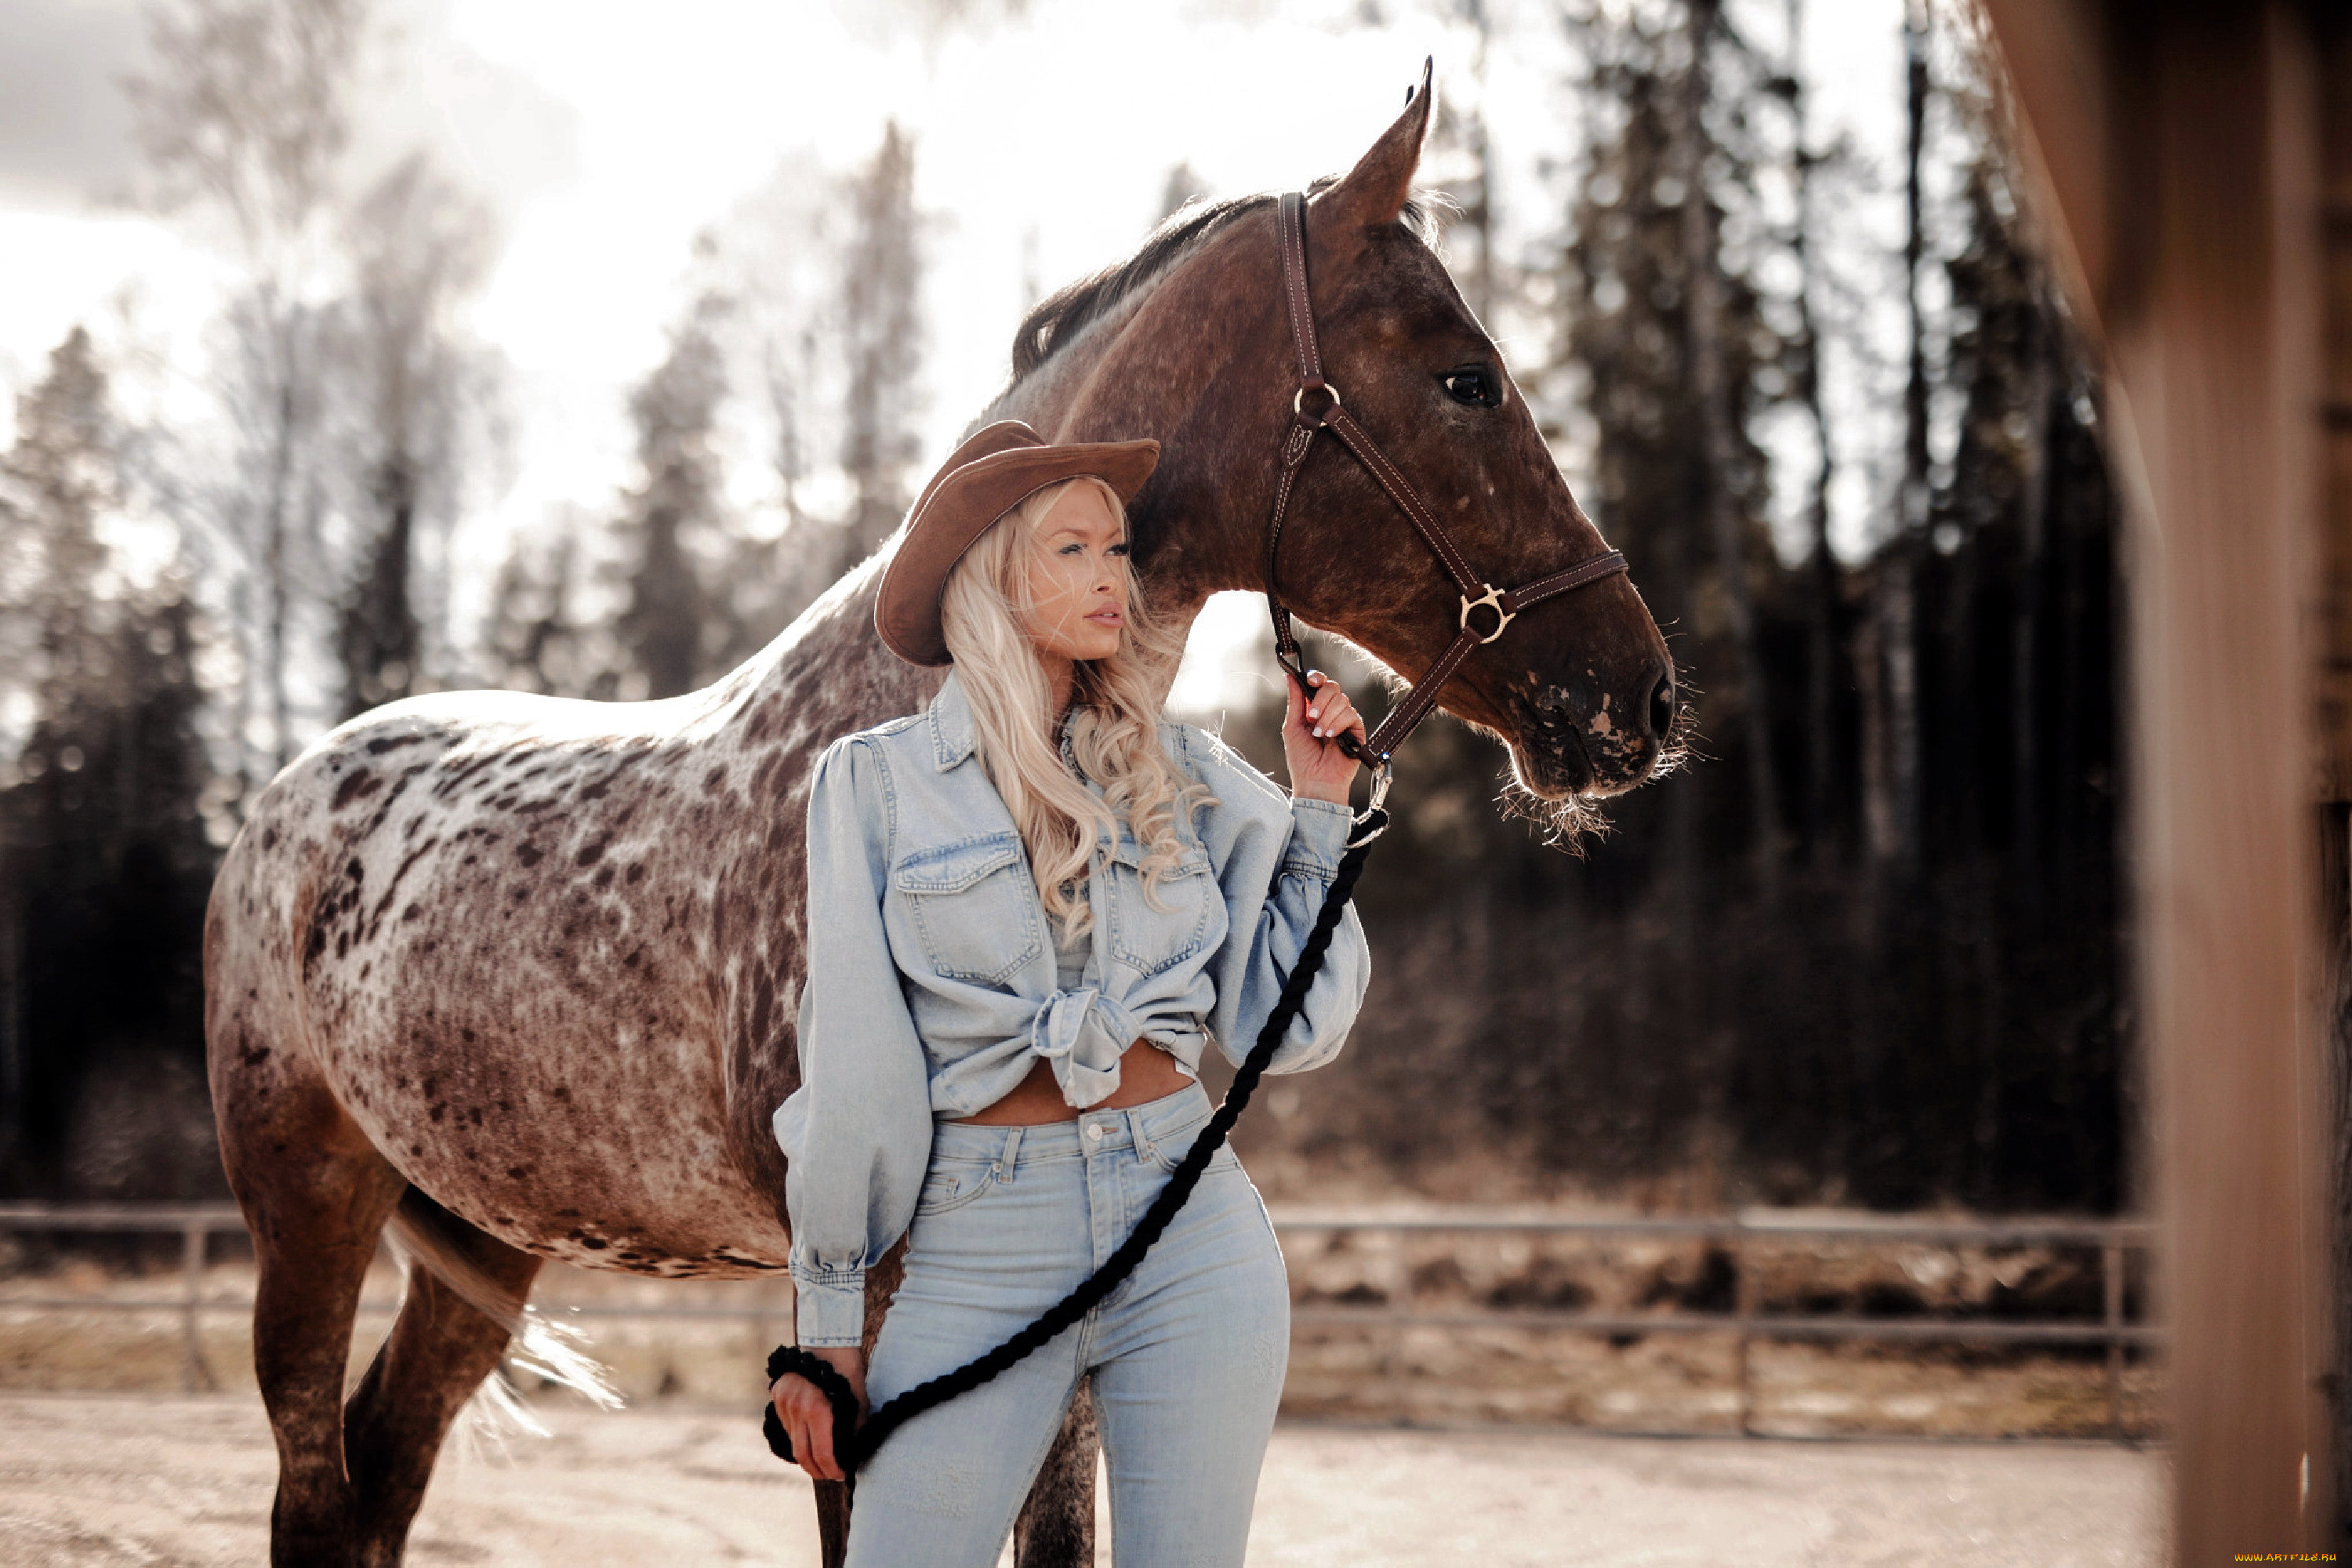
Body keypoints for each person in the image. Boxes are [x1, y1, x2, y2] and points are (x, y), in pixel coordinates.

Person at [767, 419, 1372, 1566]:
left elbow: (1288, 1024)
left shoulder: (1183, 771)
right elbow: (852, 1065)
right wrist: (828, 1322)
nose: (1112, 577)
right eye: (1073, 550)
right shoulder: (874, 787)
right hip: (980, 1243)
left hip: (1189, 1229)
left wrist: (1320, 809)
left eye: (1118, 551)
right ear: (995, 577)